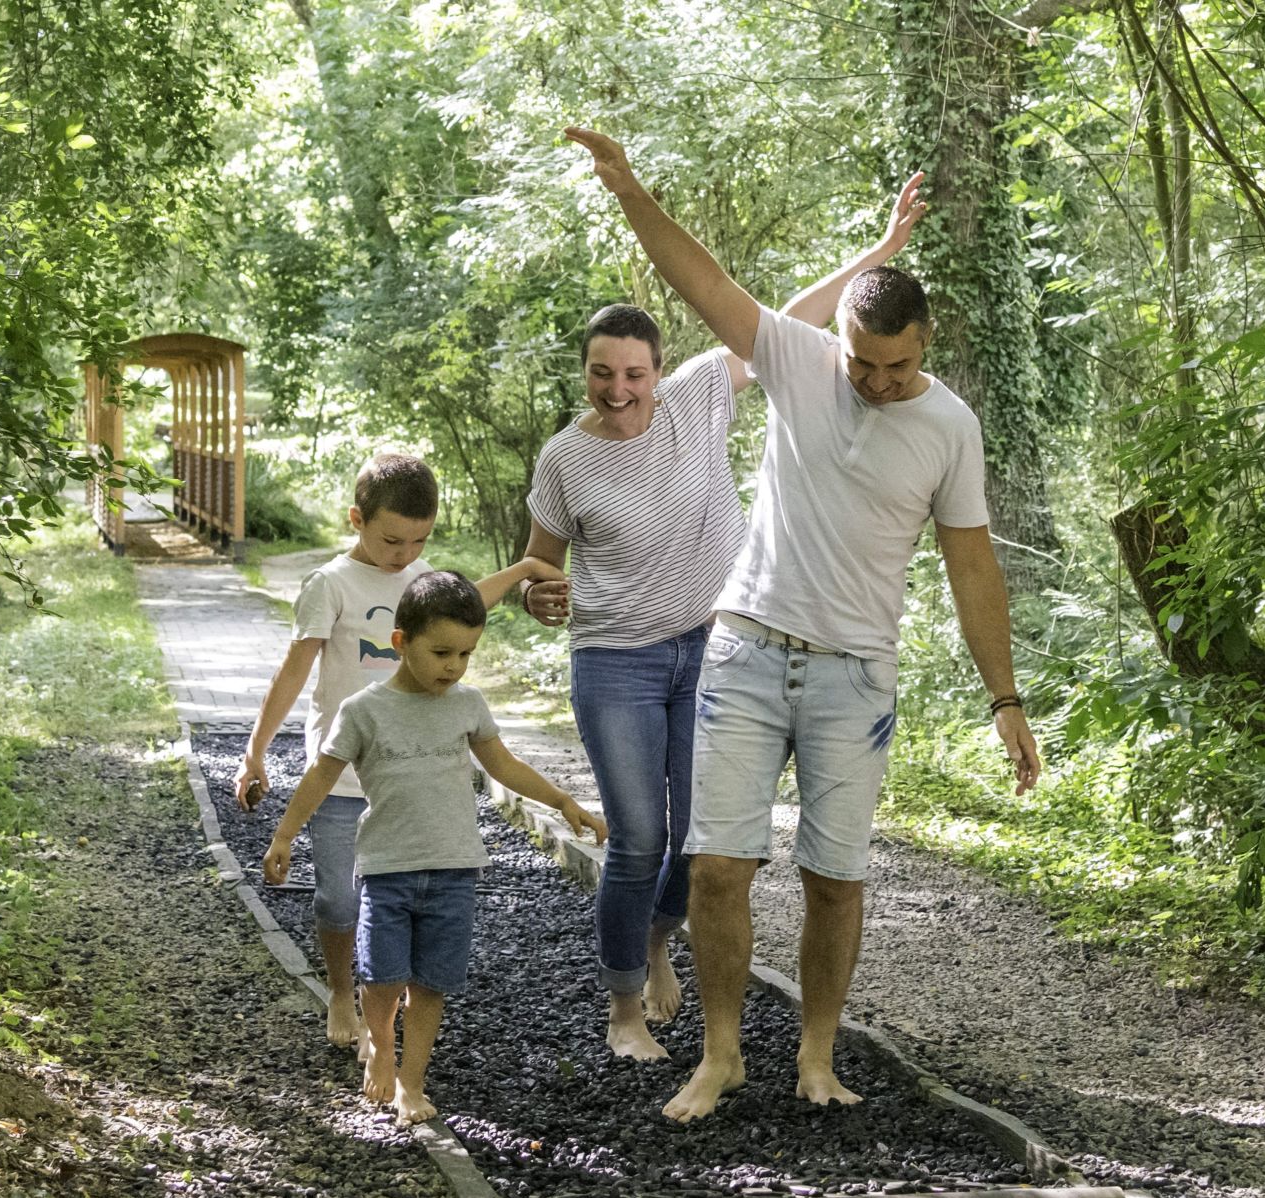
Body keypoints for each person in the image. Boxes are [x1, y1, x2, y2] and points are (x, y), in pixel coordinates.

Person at [565, 127, 1042, 1122]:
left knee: (834, 876)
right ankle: (723, 1052)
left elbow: (971, 565)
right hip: (745, 645)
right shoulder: (798, 360)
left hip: (853, 675)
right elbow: (702, 282)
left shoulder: (949, 426)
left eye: (894, 368)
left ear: (926, 345)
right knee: (715, 867)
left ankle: (817, 1055)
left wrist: (1004, 698)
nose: (872, 383)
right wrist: (629, 189)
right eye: (861, 363)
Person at [516, 184, 929, 1062]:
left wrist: (878, 251)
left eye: (634, 374)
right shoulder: (564, 456)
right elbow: (539, 566)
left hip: (712, 649)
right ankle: (624, 1006)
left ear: (659, 371)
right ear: (585, 372)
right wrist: (536, 594)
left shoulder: (703, 393)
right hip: (615, 662)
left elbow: (789, 319)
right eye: (603, 374)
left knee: (703, 842)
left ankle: (660, 944)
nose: (619, 390)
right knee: (639, 836)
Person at [261, 570, 607, 1125]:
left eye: (466, 654)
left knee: (430, 985)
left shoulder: (466, 705)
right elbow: (321, 777)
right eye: (442, 651)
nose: (454, 666)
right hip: (387, 870)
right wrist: (284, 836)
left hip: (454, 871)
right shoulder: (363, 711)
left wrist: (564, 802)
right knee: (381, 978)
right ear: (400, 643)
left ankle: (412, 1082)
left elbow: (504, 765)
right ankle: (379, 1044)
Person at [232, 453, 519, 1054]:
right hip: (340, 770)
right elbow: (293, 673)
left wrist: (524, 569)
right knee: (340, 896)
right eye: (393, 539)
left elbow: (469, 602)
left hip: (408, 772)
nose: (406, 555)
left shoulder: (423, 579)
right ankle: (341, 989)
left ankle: (386, 1011)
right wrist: (255, 751)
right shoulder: (330, 585)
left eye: (420, 540)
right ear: (356, 519)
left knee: (400, 895)